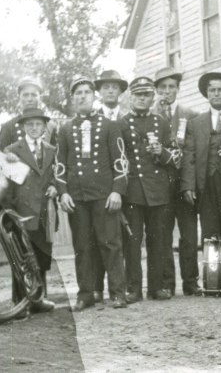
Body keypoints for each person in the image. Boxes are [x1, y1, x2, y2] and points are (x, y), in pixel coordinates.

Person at [56, 76, 128, 311]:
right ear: (73, 98)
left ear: (94, 96)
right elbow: (60, 166)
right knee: (83, 247)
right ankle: (85, 294)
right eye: (78, 93)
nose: (83, 96)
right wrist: (63, 193)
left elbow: (120, 162)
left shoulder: (109, 125)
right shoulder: (65, 129)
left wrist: (117, 191)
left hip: (104, 196)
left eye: (87, 92)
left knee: (110, 244)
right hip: (77, 198)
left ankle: (118, 293)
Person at [181, 73, 221, 296]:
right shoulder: (196, 123)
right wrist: (188, 186)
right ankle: (213, 282)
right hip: (205, 185)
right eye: (211, 90)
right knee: (210, 234)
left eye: (220, 90)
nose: (215, 94)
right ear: (207, 94)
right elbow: (188, 155)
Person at [117, 77, 175, 303]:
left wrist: (161, 151)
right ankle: (134, 289)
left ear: (153, 97)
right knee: (132, 242)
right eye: (138, 94)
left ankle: (157, 287)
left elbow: (174, 157)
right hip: (132, 191)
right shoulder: (121, 124)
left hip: (157, 191)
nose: (142, 98)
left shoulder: (161, 123)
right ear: (131, 97)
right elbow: (118, 160)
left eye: (147, 95)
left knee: (158, 240)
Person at [4, 107, 58, 313]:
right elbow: (6, 186)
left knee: (41, 256)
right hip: (21, 212)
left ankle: (38, 299)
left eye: (38, 124)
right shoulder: (11, 151)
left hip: (43, 212)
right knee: (22, 259)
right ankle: (20, 302)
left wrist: (54, 186)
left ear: (45, 127)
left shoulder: (51, 150)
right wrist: (10, 213)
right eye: (29, 124)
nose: (34, 128)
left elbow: (55, 174)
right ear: (23, 127)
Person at [153, 66, 200, 296]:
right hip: (161, 185)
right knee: (163, 235)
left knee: (189, 234)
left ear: (178, 89)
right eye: (162, 87)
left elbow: (192, 153)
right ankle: (167, 283)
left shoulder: (189, 115)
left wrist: (189, 184)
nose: (167, 92)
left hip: (184, 184)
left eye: (172, 87)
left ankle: (191, 282)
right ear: (156, 90)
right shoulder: (151, 116)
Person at [93, 69, 128, 303]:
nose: (109, 91)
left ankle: (128, 288)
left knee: (125, 239)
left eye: (114, 87)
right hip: (102, 189)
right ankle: (97, 288)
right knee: (99, 239)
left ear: (120, 92)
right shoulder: (93, 119)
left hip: (128, 186)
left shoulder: (128, 118)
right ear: (99, 92)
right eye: (105, 87)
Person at [0, 77, 57, 151]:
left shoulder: (50, 126)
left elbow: (54, 156)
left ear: (40, 98)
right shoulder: (8, 127)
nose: (30, 99)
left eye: (34, 95)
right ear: (19, 97)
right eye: (25, 95)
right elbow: (1, 157)